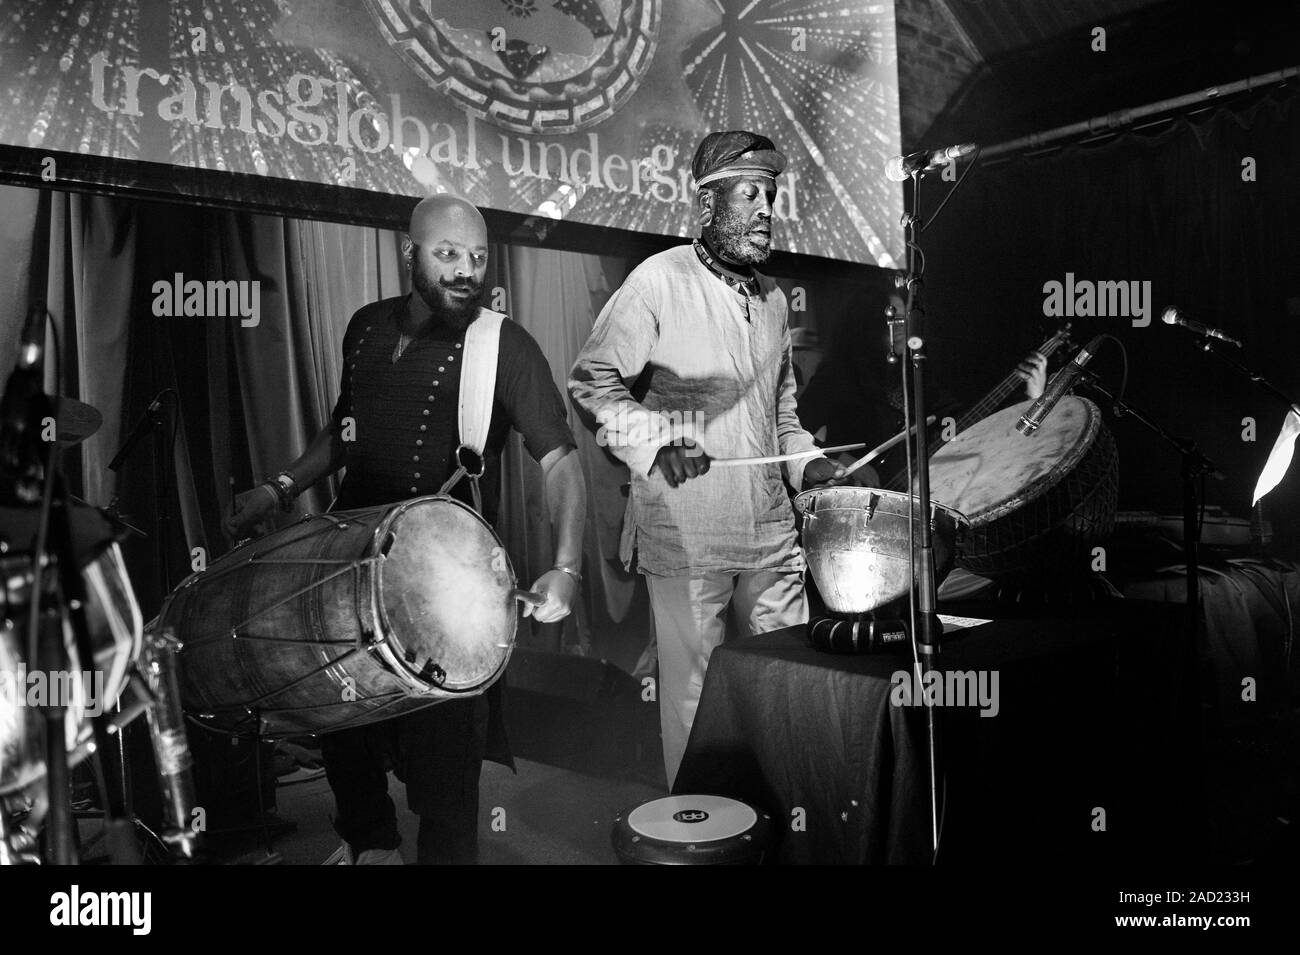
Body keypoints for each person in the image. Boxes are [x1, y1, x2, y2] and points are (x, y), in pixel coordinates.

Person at [225, 195, 586, 864]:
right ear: (410, 254)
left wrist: (567, 563)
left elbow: (562, 460)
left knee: (445, 759)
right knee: (341, 721)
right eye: (448, 253)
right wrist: (278, 488)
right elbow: (344, 429)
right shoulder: (364, 327)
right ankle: (370, 842)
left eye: (477, 257)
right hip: (350, 567)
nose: (466, 270)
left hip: (450, 587)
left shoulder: (503, 344)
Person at [569, 130, 846, 787]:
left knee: (787, 679)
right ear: (707, 204)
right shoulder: (657, 281)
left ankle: (783, 824)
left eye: (771, 195)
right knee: (693, 699)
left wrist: (811, 466)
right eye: (749, 193)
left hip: (773, 532)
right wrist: (657, 442)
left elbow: (782, 421)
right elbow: (591, 381)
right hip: (689, 534)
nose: (765, 208)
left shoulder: (776, 301)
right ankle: (701, 835)